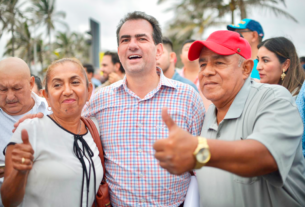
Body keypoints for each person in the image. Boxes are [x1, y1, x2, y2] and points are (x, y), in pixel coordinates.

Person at [154, 30, 305, 207]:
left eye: (219, 62)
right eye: (202, 65)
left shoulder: (273, 98)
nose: (207, 72)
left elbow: (266, 156)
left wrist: (197, 150)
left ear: (246, 68)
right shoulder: (210, 113)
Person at [83, 12, 205, 206]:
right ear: (119, 50)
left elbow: (202, 159)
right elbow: (72, 127)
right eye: (125, 40)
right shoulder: (100, 99)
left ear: (158, 51)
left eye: (141, 38)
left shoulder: (187, 97)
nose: (132, 44)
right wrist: (38, 115)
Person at [1, 58, 103, 207]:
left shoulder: (94, 128)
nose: (68, 91)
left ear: (89, 90)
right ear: (46, 95)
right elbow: (9, 201)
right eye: (57, 85)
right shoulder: (28, 130)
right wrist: (19, 172)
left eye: (75, 82)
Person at [0, 57, 49, 206]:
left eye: (17, 88)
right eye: (2, 89)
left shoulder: (51, 111)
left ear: (31, 83)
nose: (10, 97)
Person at [178, 39, 212, 110]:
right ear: (181, 57)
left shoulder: (210, 75)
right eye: (187, 49)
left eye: (193, 49)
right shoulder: (174, 78)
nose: (191, 51)